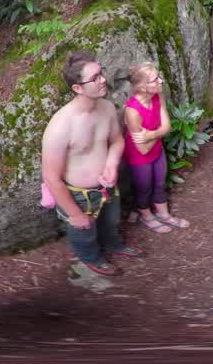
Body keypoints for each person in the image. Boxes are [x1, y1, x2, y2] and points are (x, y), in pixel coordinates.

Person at [41, 51, 145, 277]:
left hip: (107, 186)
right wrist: (74, 214)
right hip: (78, 195)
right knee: (83, 230)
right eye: (95, 77)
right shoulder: (60, 127)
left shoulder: (107, 108)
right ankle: (91, 257)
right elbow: (51, 177)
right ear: (77, 88)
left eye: (101, 73)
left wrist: (111, 164)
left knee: (111, 221)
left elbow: (116, 140)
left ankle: (113, 244)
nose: (103, 79)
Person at [122, 62, 190, 234]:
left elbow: (168, 127)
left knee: (160, 183)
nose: (161, 81)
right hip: (139, 157)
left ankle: (163, 214)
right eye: (155, 79)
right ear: (142, 87)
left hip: (156, 149)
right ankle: (146, 215)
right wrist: (159, 132)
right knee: (144, 188)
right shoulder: (132, 110)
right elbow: (143, 149)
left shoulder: (158, 96)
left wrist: (151, 134)